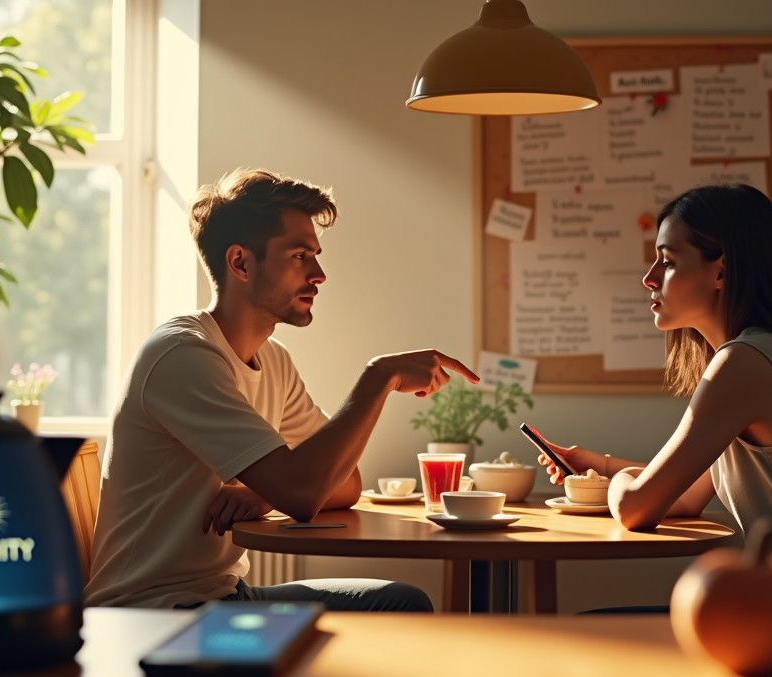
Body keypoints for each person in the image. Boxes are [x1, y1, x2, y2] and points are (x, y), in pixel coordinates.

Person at [86, 168, 478, 610]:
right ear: (240, 263)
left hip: (224, 597)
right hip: (153, 612)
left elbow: (345, 483)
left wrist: (260, 492)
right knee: (399, 608)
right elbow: (303, 495)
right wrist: (377, 379)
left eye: (316, 255)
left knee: (399, 601)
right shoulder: (182, 356)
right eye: (299, 256)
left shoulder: (273, 359)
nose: (319, 274)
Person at [538, 185, 772, 616]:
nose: (648, 277)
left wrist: (619, 485)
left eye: (667, 261)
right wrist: (602, 467)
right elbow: (684, 498)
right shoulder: (762, 353)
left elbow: (634, 509)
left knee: (593, 630)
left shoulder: (743, 365)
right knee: (599, 630)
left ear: (721, 272)